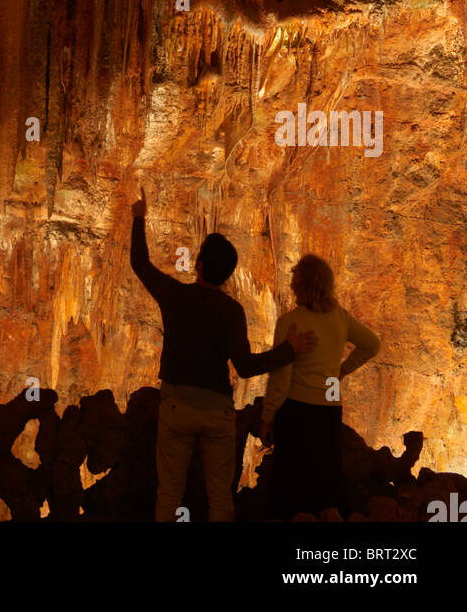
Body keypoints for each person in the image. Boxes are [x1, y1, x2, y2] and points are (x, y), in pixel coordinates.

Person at [130, 186, 317, 522]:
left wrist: (139, 217)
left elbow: (140, 263)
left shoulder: (174, 296)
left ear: (199, 265)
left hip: (176, 407)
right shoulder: (232, 311)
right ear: (227, 274)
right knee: (220, 498)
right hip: (216, 413)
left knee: (169, 492)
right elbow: (245, 367)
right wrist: (289, 350)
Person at [259, 254, 381, 519]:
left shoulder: (290, 321)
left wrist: (267, 418)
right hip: (329, 407)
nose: (291, 286)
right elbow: (373, 344)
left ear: (303, 285)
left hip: (297, 410)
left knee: (290, 487)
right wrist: (342, 371)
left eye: (294, 280)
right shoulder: (340, 318)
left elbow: (280, 378)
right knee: (326, 483)